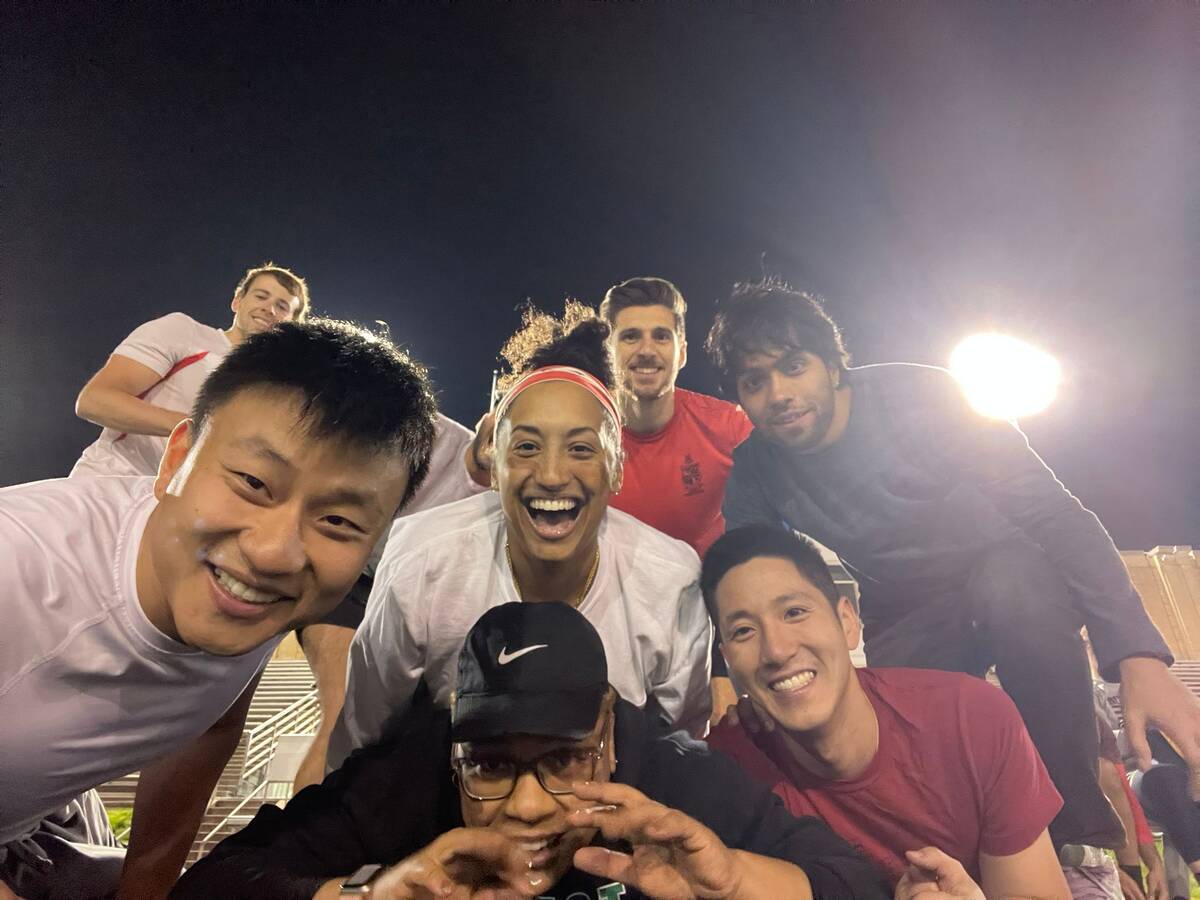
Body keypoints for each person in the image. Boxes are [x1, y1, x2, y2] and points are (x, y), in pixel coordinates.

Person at [707, 278, 1200, 857]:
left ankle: (1084, 834)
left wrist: (1137, 653)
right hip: (904, 603)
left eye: (794, 366)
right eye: (755, 381)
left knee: (1013, 585)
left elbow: (1056, 514)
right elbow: (738, 572)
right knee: (900, 742)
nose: (780, 394)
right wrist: (726, 676)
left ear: (833, 364)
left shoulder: (923, 397)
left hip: (1005, 568)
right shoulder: (756, 468)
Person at [0, 320, 438, 899]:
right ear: (174, 459)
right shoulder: (19, 563)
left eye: (338, 521)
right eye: (254, 483)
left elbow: (209, 724)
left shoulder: (247, 597)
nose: (274, 553)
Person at [172, 602, 890, 898]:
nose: (525, 805)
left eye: (563, 760)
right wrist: (368, 893)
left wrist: (733, 880)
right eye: (489, 765)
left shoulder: (667, 768)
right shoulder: (418, 762)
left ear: (608, 731)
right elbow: (214, 881)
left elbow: (855, 879)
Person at [329, 306, 713, 768]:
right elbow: (365, 735)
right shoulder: (422, 558)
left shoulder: (670, 581)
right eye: (527, 446)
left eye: (581, 449)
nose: (552, 475)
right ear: (494, 464)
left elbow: (679, 746)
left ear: (616, 468)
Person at [703, 525, 1070, 895]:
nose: (777, 651)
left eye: (795, 612)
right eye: (743, 632)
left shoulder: (970, 719)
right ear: (727, 661)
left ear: (848, 622)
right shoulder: (726, 771)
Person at [290, 411, 487, 791]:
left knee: (414, 734)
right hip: (354, 582)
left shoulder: (508, 500)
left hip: (413, 603)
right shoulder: (423, 432)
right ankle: (301, 840)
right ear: (491, 419)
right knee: (341, 712)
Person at [70, 262, 309, 478]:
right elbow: (95, 400)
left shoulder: (277, 390)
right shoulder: (184, 331)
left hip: (180, 509)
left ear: (292, 326)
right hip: (110, 479)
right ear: (237, 301)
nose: (270, 309)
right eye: (261, 296)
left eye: (282, 306)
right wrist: (198, 428)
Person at [598, 276, 753, 558]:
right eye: (630, 336)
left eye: (661, 336)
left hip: (699, 594)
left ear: (681, 352)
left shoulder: (729, 426)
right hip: (607, 595)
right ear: (606, 352)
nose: (646, 350)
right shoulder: (581, 427)